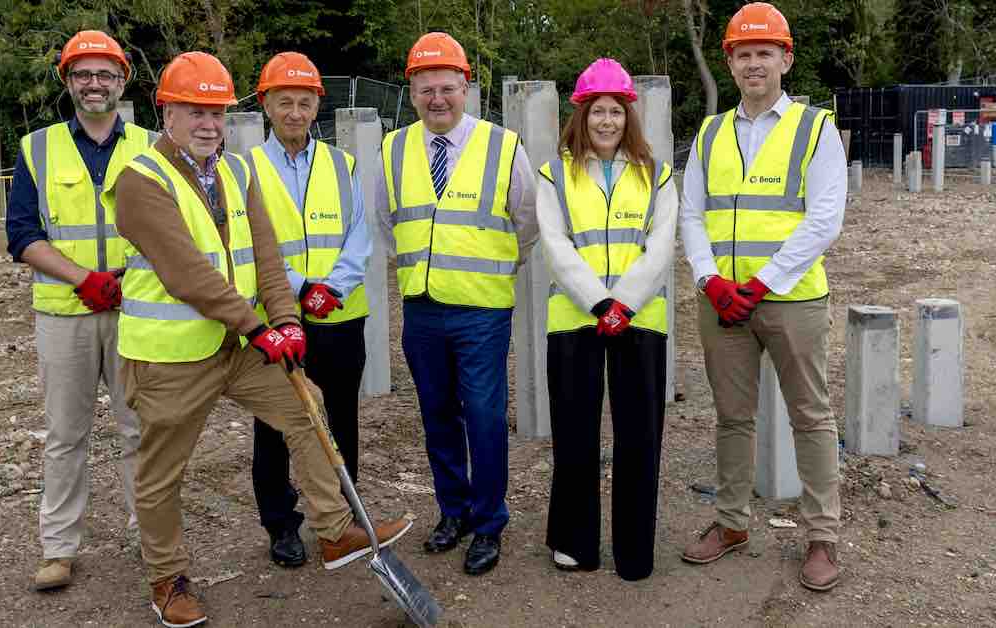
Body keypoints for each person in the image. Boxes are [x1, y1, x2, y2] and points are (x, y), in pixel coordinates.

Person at [108, 51, 410, 627]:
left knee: (306, 406)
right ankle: (167, 579)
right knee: (162, 470)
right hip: (171, 356)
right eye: (194, 111)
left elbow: (266, 259)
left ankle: (331, 530)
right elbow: (185, 272)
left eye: (217, 112)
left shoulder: (236, 172)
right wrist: (258, 327)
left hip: (238, 347)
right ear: (165, 113)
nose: (208, 123)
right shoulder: (139, 181)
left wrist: (287, 320)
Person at [678, 2, 846, 592]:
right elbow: (690, 213)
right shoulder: (710, 131)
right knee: (732, 417)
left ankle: (822, 535)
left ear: (785, 59)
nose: (754, 64)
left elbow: (825, 218)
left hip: (792, 299)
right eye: (743, 54)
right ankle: (731, 524)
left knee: (811, 416)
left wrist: (762, 282)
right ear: (729, 62)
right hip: (722, 303)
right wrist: (709, 280)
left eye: (764, 53)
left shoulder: (815, 129)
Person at [372, 32, 538, 576]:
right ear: (412, 91)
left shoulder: (502, 145)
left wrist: (487, 267)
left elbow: (527, 222)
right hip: (421, 307)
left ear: (466, 88)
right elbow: (387, 223)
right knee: (437, 416)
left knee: (486, 417)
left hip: (482, 312)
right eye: (426, 90)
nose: (437, 99)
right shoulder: (393, 148)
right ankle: (454, 511)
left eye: (447, 88)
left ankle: (489, 522)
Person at [5, 30, 157, 591]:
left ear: (123, 81)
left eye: (105, 74)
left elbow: (175, 229)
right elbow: (22, 234)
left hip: (137, 309)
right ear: (68, 82)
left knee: (139, 429)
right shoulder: (37, 148)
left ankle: (152, 537)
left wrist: (127, 280)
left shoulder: (151, 145)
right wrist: (83, 280)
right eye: (83, 74)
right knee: (65, 436)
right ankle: (59, 548)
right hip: (63, 313)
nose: (95, 84)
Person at [536, 59, 677, 581]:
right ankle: (575, 542)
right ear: (581, 115)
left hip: (640, 321)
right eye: (597, 111)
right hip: (576, 319)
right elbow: (555, 244)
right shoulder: (555, 174)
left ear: (628, 117)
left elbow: (661, 246)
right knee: (574, 433)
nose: (606, 122)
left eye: (615, 112)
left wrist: (627, 303)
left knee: (640, 436)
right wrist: (600, 303)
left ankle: (634, 550)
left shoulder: (656, 174)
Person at [244, 52, 371, 569]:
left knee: (340, 419)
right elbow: (248, 244)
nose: (295, 113)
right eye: (284, 103)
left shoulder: (342, 164)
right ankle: (282, 525)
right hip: (280, 318)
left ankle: (342, 518)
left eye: (304, 102)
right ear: (266, 106)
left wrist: (331, 288)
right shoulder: (244, 168)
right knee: (276, 426)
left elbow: (359, 236)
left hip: (339, 317)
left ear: (317, 105)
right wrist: (300, 289)